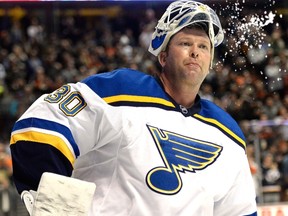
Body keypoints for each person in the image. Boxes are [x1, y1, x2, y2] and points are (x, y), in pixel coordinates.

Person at [10, 0, 257, 215]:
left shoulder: (229, 133)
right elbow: (40, 130)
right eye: (185, 43)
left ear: (210, 62)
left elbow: (238, 211)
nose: (195, 52)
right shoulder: (120, 90)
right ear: (163, 56)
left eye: (203, 47)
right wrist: (54, 204)